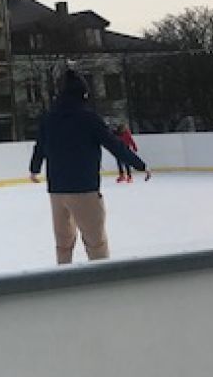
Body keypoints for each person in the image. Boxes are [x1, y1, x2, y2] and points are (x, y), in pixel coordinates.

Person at [30, 69, 150, 265]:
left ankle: (63, 282)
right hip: (84, 189)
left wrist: (34, 169)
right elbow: (114, 144)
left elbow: (40, 147)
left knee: (63, 244)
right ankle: (102, 283)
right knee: (96, 243)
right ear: (83, 95)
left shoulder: (49, 118)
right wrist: (139, 164)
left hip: (57, 191)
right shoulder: (88, 118)